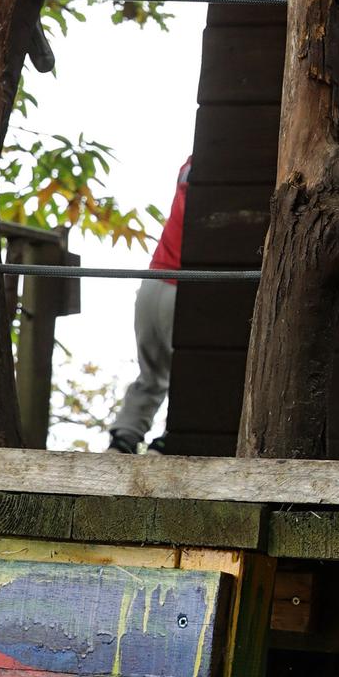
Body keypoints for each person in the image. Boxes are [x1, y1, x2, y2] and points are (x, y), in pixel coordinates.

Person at [109, 156, 190, 454]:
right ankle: (175, 437)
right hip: (181, 287)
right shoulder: (216, 171)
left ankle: (125, 437)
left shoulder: (189, 166)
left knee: (151, 373)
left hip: (152, 283)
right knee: (193, 367)